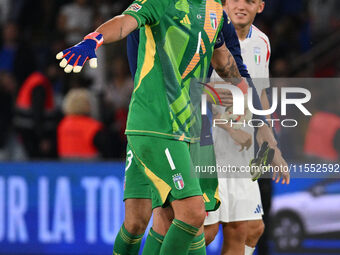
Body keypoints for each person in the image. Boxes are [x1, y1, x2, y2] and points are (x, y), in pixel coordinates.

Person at [56, 0, 250, 254]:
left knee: (139, 221)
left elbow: (223, 60)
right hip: (156, 124)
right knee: (191, 213)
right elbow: (125, 23)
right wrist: (95, 39)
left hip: (184, 127)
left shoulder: (215, 11)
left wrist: (246, 93)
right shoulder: (160, 2)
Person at [204, 0, 289, 254]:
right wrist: (228, 126)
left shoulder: (262, 42)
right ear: (224, 3)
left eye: (249, 1)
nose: (241, 6)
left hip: (242, 152)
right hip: (207, 147)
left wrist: (271, 146)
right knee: (204, 231)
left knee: (252, 228)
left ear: (260, 6)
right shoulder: (208, 35)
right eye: (235, 0)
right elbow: (188, 88)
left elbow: (260, 95)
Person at [58, 88, 120, 159]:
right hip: (90, 166)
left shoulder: (62, 124)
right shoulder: (93, 126)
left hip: (64, 166)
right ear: (87, 104)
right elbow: (107, 151)